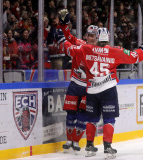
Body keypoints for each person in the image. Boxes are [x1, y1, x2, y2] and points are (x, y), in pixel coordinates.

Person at [54, 27, 143, 158]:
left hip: (92, 90)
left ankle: (89, 146)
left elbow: (69, 49)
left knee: (91, 119)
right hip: (108, 89)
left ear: (97, 37)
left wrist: (61, 40)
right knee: (109, 119)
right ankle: (107, 148)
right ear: (108, 38)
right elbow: (135, 57)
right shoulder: (114, 51)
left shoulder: (85, 49)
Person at [57, 9, 98, 153]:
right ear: (86, 36)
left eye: (93, 36)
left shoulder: (100, 51)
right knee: (71, 112)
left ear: (97, 37)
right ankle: (69, 140)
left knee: (83, 115)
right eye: (89, 35)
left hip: (89, 88)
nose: (90, 38)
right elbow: (68, 36)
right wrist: (64, 25)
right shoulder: (80, 43)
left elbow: (67, 44)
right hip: (75, 83)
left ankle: (76, 140)